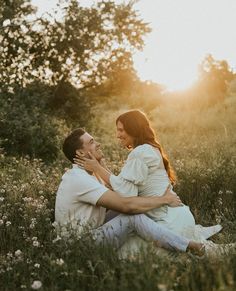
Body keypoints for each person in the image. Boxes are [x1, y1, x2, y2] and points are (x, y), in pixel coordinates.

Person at [75, 110, 223, 249]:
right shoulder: (148, 148)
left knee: (124, 254)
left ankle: (196, 248)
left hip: (168, 223)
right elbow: (123, 185)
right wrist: (102, 166)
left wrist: (98, 169)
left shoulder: (140, 153)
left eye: (121, 130)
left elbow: (126, 194)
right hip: (177, 215)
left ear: (134, 130)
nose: (117, 135)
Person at [55, 128, 205, 256]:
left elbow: (123, 194)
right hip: (79, 246)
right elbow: (126, 205)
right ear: (80, 153)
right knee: (132, 216)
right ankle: (187, 246)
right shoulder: (78, 179)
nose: (98, 143)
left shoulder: (91, 173)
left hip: (94, 230)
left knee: (134, 210)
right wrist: (164, 199)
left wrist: (102, 166)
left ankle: (166, 235)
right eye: (92, 142)